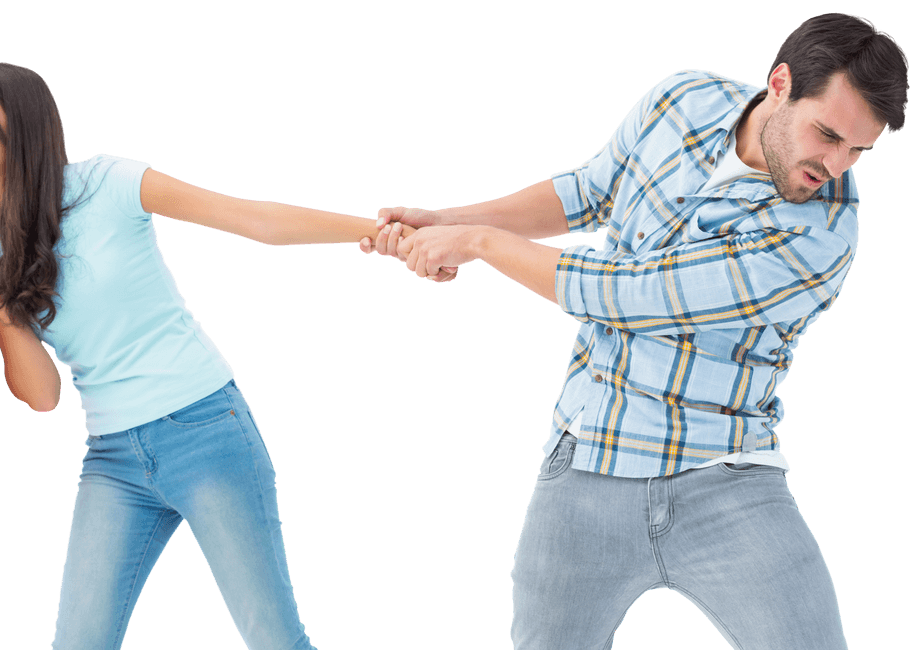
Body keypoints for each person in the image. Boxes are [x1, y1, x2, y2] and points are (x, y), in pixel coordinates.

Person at [362, 13, 908, 649]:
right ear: (780, 84)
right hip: (586, 465)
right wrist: (443, 222)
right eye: (827, 135)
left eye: (857, 151)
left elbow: (627, 294)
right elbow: (586, 192)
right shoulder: (685, 98)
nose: (835, 165)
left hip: (726, 480)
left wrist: (479, 243)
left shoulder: (821, 235)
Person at [0, 62, 435, 650]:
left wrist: (381, 235)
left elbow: (253, 220)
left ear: (19, 126)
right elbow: (43, 396)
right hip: (113, 459)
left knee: (275, 639)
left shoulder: (107, 183)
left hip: (203, 431)